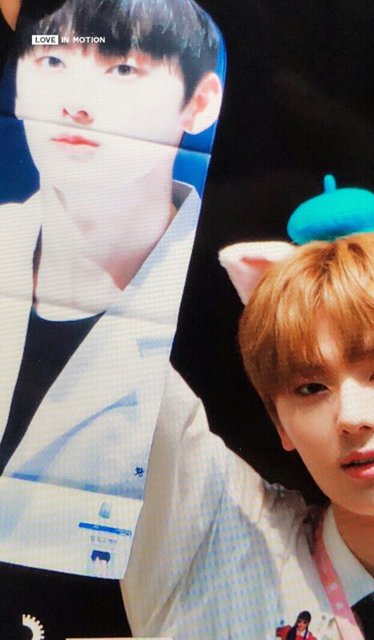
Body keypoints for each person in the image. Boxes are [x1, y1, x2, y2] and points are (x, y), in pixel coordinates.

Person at [122, 184, 374, 639]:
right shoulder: (212, 542)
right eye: (311, 388)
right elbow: (97, 314)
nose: (352, 417)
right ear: (279, 420)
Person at [0, 0, 223, 579]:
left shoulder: (222, 302)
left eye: (122, 68)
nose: (75, 103)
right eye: (51, 61)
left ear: (200, 103)